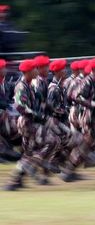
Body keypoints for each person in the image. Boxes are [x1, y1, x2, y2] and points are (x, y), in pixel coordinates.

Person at [4, 60, 60, 190]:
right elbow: (20, 106)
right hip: (27, 122)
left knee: (29, 153)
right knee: (53, 140)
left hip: (32, 122)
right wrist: (36, 114)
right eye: (34, 69)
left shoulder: (30, 85)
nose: (37, 71)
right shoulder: (21, 86)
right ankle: (36, 163)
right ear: (28, 72)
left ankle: (15, 181)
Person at [0, 58, 20, 161]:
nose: (5, 70)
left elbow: (11, 96)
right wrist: (6, 105)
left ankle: (8, 148)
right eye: (3, 68)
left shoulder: (5, 84)